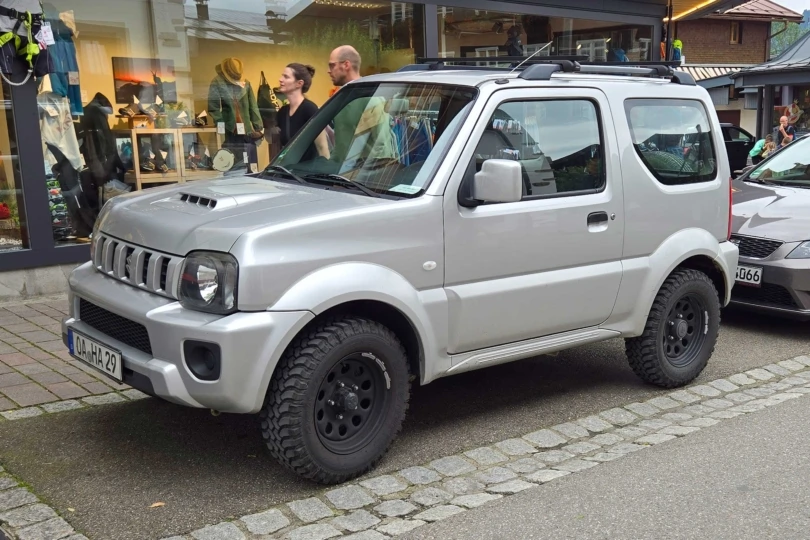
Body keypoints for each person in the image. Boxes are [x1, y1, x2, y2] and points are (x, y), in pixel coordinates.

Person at [326, 45, 397, 173]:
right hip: (342, 177)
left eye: (332, 65)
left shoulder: (371, 97)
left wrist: (366, 179)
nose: (328, 71)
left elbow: (381, 147)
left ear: (346, 65)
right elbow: (341, 143)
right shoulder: (341, 97)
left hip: (365, 181)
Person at [277, 63, 329, 160]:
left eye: (286, 77)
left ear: (299, 83)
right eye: (282, 76)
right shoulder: (282, 112)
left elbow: (322, 148)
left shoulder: (310, 109)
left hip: (309, 171)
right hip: (289, 170)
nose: (280, 79)